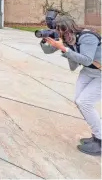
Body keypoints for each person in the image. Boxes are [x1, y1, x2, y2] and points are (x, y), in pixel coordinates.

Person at [40, 15, 101, 156]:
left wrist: (64, 49)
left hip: (99, 73)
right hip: (88, 72)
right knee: (79, 102)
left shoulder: (87, 37)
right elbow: (48, 51)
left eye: (57, 29)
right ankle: (96, 135)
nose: (56, 32)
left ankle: (100, 140)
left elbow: (86, 60)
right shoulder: (68, 39)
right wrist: (45, 41)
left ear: (65, 28)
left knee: (84, 102)